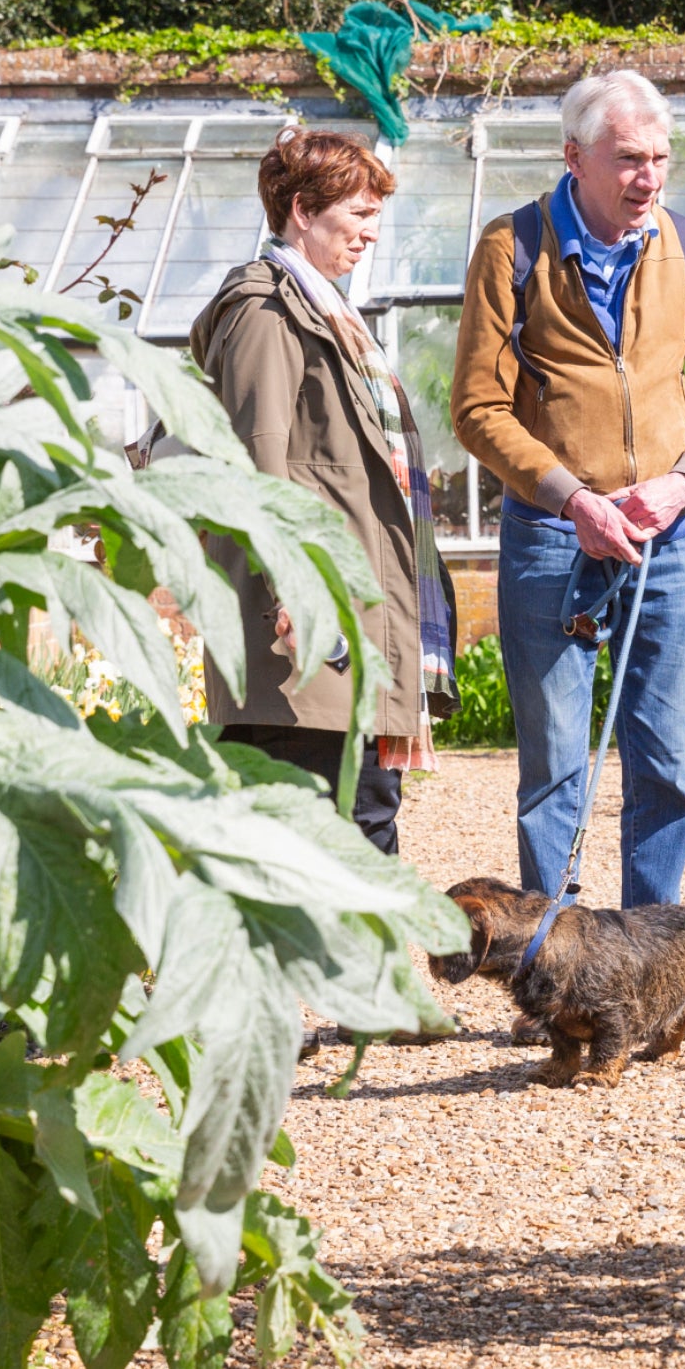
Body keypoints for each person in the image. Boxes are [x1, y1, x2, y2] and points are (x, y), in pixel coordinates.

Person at [450, 69, 685, 929]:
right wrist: (572, 497)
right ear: (574, 157)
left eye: (659, 158)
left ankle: (655, 956)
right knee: (555, 765)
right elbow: (477, 408)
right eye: (628, 159)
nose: (648, 177)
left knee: (663, 758)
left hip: (666, 539)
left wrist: (682, 482)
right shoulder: (512, 251)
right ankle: (559, 957)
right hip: (554, 538)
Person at [191, 127, 456, 857]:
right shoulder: (265, 313)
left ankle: (355, 976)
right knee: (329, 850)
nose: (371, 233)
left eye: (376, 215)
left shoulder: (323, 312)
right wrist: (293, 601)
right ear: (302, 211)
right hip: (305, 640)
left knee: (362, 829)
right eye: (359, 214)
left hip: (345, 628)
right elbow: (257, 468)